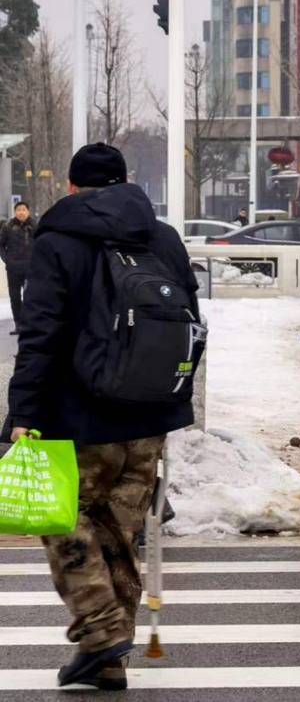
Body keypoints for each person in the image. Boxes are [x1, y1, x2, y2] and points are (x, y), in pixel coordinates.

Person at [3, 143, 200, 690]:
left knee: (62, 519)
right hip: (150, 413)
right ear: (125, 181)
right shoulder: (162, 237)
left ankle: (100, 631)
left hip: (81, 411)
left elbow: (40, 334)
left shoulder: (59, 238)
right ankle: (111, 661)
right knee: (118, 531)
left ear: (71, 188)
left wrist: (23, 412)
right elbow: (190, 318)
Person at [0, 201, 35, 335]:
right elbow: (1, 245)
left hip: (30, 268)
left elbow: (42, 243)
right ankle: (18, 324)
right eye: (18, 210)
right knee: (14, 297)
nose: (21, 212)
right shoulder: (8, 226)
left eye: (24, 210)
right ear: (15, 212)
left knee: (29, 296)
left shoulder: (35, 225)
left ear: (28, 211)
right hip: (13, 268)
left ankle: (29, 324)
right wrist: (7, 259)